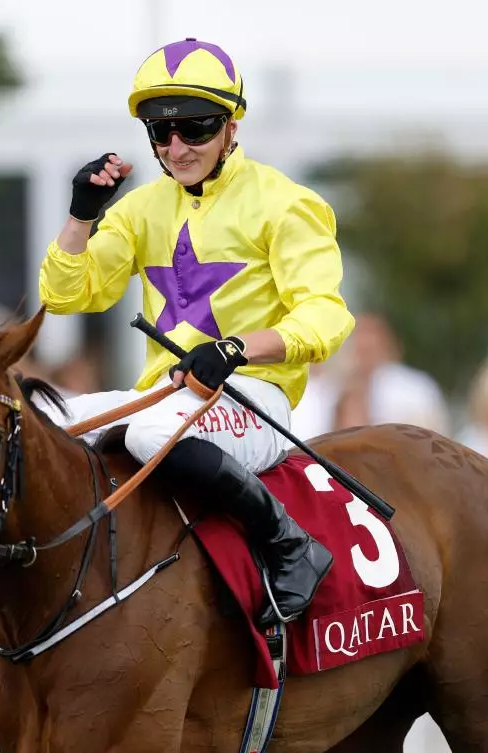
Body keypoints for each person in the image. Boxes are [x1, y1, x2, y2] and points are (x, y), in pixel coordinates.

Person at [38, 38, 354, 628]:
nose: (177, 147)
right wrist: (81, 217)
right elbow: (66, 296)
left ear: (232, 125)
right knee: (44, 423)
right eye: (161, 132)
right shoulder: (140, 209)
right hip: (169, 396)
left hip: (255, 399)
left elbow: (326, 317)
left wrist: (237, 349)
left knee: (150, 433)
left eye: (196, 128)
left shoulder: (287, 204)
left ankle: (290, 544)